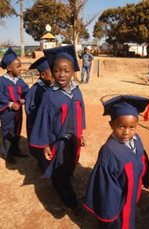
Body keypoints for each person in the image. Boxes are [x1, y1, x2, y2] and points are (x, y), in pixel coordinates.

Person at [30, 45, 86, 214]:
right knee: (61, 171)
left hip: (73, 139)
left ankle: (60, 181)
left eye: (66, 71)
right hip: (57, 142)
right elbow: (43, 122)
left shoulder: (77, 92)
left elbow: (81, 112)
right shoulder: (49, 95)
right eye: (57, 70)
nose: (61, 74)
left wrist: (81, 132)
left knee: (68, 166)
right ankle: (71, 203)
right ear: (52, 72)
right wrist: (45, 144)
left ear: (72, 72)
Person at [83, 95, 149, 229]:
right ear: (111, 125)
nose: (127, 132)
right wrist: (110, 213)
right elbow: (106, 187)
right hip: (118, 202)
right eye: (121, 126)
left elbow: (142, 160)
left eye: (132, 127)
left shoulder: (136, 139)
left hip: (130, 194)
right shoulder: (109, 153)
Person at [0, 47, 29, 164]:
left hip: (18, 113)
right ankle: (7, 154)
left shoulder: (19, 80)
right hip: (7, 113)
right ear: (9, 68)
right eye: (18, 67)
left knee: (16, 131)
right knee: (8, 133)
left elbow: (26, 90)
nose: (20, 69)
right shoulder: (1, 81)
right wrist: (10, 103)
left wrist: (24, 98)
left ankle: (16, 150)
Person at [25, 56, 54, 171]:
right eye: (52, 74)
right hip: (39, 124)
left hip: (49, 124)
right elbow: (29, 110)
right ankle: (42, 165)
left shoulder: (51, 87)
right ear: (42, 75)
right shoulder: (35, 90)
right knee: (41, 147)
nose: (56, 77)